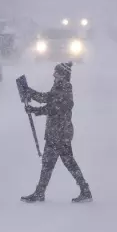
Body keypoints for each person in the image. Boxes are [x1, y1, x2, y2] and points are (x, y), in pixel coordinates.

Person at [21, 61, 92, 203]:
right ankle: (84, 190)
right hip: (59, 133)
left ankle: (40, 193)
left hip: (58, 134)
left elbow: (53, 108)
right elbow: (47, 99)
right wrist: (30, 93)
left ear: (63, 75)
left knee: (50, 163)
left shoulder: (64, 89)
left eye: (57, 72)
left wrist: (35, 109)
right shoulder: (59, 86)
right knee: (65, 163)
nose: (54, 75)